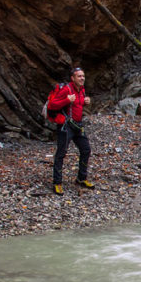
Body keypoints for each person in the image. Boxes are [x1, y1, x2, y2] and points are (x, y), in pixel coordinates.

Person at [48, 67, 94, 195]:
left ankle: (81, 178)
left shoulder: (82, 90)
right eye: (79, 76)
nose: (82, 78)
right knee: (61, 153)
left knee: (86, 149)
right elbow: (52, 105)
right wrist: (67, 100)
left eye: (83, 76)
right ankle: (57, 183)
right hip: (66, 126)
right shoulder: (66, 90)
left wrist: (86, 102)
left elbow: (77, 106)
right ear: (72, 78)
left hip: (78, 126)